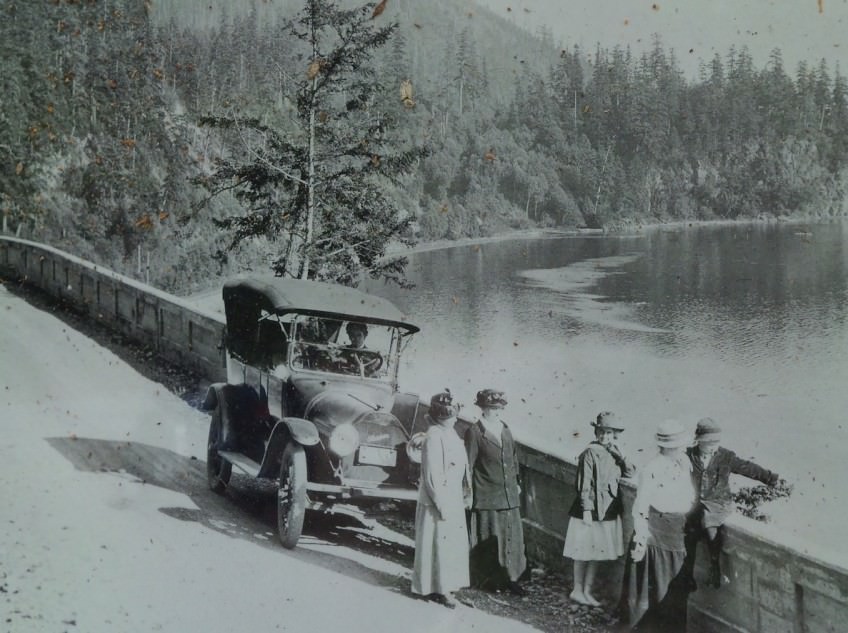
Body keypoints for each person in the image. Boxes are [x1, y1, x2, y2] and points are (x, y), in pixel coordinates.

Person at [683, 418, 781, 589]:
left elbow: (747, 467)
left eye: (715, 442)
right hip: (696, 505)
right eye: (707, 443)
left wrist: (770, 478)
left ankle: (715, 566)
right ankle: (687, 576)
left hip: (719, 504)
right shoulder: (688, 456)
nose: (712, 446)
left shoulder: (726, 457)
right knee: (688, 535)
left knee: (710, 526)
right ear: (698, 441)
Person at [619, 419, 697, 631]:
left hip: (677, 532)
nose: (681, 448)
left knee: (675, 590)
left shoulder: (683, 463)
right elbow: (641, 505)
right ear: (666, 446)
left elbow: (689, 496)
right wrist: (641, 540)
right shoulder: (652, 469)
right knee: (656, 590)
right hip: (657, 534)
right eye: (677, 445)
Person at [563, 411, 636, 606]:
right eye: (602, 432)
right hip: (589, 511)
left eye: (609, 433)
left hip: (607, 511)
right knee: (582, 551)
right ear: (596, 432)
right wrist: (586, 510)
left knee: (596, 552)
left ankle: (587, 590)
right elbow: (583, 484)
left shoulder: (614, 452)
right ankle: (577, 589)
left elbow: (630, 471)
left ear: (615, 435)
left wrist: (621, 454)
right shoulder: (589, 452)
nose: (605, 436)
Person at [411, 390, 472, 608]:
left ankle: (443, 586)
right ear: (441, 417)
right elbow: (431, 474)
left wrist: (465, 492)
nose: (455, 418)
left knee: (447, 544)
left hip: (452, 496)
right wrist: (440, 502)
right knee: (436, 543)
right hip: (438, 499)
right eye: (450, 415)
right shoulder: (434, 436)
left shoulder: (450, 433)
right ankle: (436, 588)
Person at [464, 388, 527, 595]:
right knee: (489, 539)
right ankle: (489, 580)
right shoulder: (475, 432)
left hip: (508, 495)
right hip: (487, 495)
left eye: (499, 408)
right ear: (482, 408)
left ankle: (512, 579)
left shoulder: (505, 430)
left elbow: (513, 458)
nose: (497, 412)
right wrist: (469, 493)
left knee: (511, 538)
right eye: (492, 408)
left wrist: (516, 482)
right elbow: (468, 466)